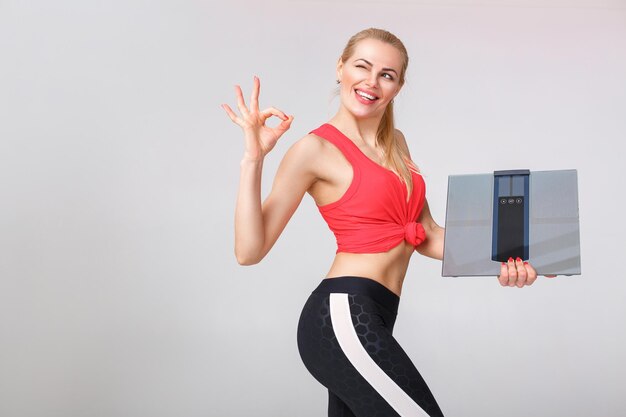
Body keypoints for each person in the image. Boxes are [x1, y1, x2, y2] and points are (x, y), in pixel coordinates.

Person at [222, 27, 549, 417]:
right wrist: (253, 159)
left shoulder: (397, 143)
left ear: (398, 86)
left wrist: (518, 257)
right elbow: (249, 251)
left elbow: (427, 236)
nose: (371, 82)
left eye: (387, 75)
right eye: (362, 66)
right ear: (340, 68)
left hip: (378, 313)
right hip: (342, 313)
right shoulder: (314, 150)